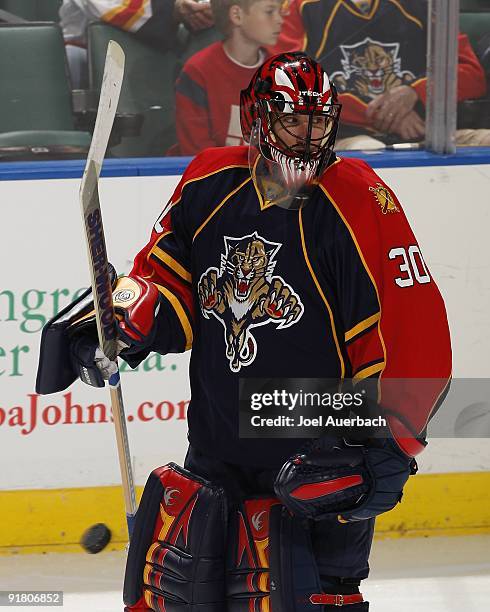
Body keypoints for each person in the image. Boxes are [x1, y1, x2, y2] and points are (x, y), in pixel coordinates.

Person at [37, 53, 451, 610]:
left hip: (317, 454)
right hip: (216, 445)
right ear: (257, 120)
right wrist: (117, 326)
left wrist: (390, 442)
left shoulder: (358, 198)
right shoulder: (209, 181)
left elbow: (417, 330)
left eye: (318, 122)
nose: (307, 138)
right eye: (292, 121)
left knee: (316, 597)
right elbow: (163, 283)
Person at [271, 0, 488, 147]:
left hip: (431, 136)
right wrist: (381, 113)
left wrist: (415, 93)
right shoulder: (300, 8)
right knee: (368, 149)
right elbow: (289, 82)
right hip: (341, 137)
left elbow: (472, 75)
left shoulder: (425, 5)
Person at [173, 0, 286, 154]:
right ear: (237, 15)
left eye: (280, 12)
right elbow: (197, 153)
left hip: (261, 175)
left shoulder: (282, 73)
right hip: (209, 175)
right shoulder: (197, 72)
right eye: (269, 11)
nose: (280, 19)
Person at [60, 0, 214, 88]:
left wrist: (205, 9)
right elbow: (114, 9)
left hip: (162, 56)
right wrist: (175, 8)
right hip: (85, 63)